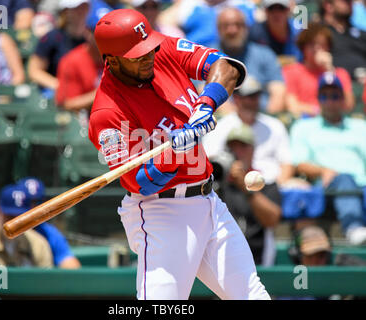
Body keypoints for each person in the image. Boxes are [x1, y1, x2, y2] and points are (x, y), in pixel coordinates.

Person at [88, 8, 270, 300]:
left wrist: (206, 104)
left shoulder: (159, 48)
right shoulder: (107, 112)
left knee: (252, 295)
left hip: (209, 200)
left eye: (148, 49)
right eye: (137, 55)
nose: (148, 57)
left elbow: (228, 68)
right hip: (161, 212)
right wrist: (175, 153)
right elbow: (139, 183)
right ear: (111, 60)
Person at [290, 72, 366, 246]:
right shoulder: (304, 127)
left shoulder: (360, 127)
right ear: (318, 99)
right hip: (326, 189)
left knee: (351, 181)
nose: (330, 101)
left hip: (362, 186)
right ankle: (353, 227)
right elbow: (299, 163)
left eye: (335, 96)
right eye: (325, 96)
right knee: (344, 179)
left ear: (343, 99)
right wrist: (323, 171)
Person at [203, 76, 294, 187]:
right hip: (233, 186)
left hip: (270, 185)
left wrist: (278, 188)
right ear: (237, 99)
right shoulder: (221, 126)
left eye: (257, 95)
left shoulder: (274, 125)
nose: (255, 101)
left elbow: (287, 163)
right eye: (250, 97)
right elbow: (210, 159)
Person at [217, 124, 282, 266]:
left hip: (257, 259)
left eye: (243, 147)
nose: (237, 152)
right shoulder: (219, 182)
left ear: (252, 150)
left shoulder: (266, 179)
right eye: (232, 147)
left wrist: (245, 186)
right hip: (223, 258)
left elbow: (272, 219)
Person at [0, 177, 81, 269]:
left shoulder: (46, 233)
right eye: (29, 202)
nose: (34, 208)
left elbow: (70, 265)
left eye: (37, 202)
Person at [215, 6, 286, 114]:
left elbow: (278, 91)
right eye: (226, 26)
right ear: (218, 29)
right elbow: (203, 91)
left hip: (262, 117)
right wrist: (238, 122)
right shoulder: (208, 56)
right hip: (224, 123)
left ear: (246, 28)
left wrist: (267, 119)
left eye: (237, 25)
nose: (232, 30)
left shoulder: (264, 54)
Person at [282, 22, 354, 117]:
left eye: (322, 44)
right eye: (312, 44)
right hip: (306, 123)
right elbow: (292, 106)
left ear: (328, 47)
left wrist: (329, 70)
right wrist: (319, 111)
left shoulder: (340, 74)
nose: (317, 48)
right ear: (303, 47)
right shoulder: (291, 72)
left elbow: (348, 106)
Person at [27, 0, 90, 95]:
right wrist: (60, 86)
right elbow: (34, 71)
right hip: (53, 94)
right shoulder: (51, 37)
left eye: (84, 7)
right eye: (76, 8)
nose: (80, 11)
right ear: (65, 12)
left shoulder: (90, 39)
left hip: (83, 93)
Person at [320, 0, 366, 81]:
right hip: (334, 85)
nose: (349, 3)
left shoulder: (360, 34)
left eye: (350, 1)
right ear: (328, 5)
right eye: (345, 1)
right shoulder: (319, 33)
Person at [55, 37, 103, 113]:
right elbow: (65, 105)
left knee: (124, 123)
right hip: (84, 120)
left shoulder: (121, 58)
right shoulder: (72, 61)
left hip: (118, 119)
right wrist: (102, 93)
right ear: (87, 33)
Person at [249, 0, 302, 66]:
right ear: (265, 11)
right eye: (271, 8)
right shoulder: (255, 33)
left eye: (281, 8)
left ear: (288, 10)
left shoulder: (300, 32)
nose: (276, 13)